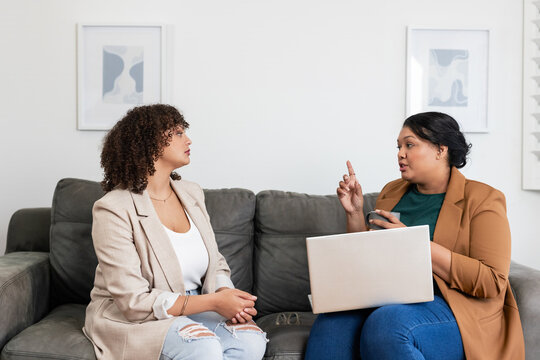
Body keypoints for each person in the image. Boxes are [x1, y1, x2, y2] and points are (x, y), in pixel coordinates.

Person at [304, 112, 524, 360]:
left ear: (441, 150)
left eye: (410, 145)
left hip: (458, 309)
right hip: (392, 299)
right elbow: (368, 262)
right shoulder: (392, 191)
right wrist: (355, 213)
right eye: (399, 146)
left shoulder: (483, 199)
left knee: (388, 324)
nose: (400, 153)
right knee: (332, 320)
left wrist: (414, 243)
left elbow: (492, 282)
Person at [83, 104, 268, 360]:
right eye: (179, 133)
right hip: (134, 315)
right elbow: (133, 301)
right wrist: (214, 303)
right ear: (151, 143)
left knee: (251, 342)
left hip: (194, 303)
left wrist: (225, 294)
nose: (188, 139)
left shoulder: (191, 193)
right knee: (202, 347)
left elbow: (216, 263)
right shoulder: (113, 208)